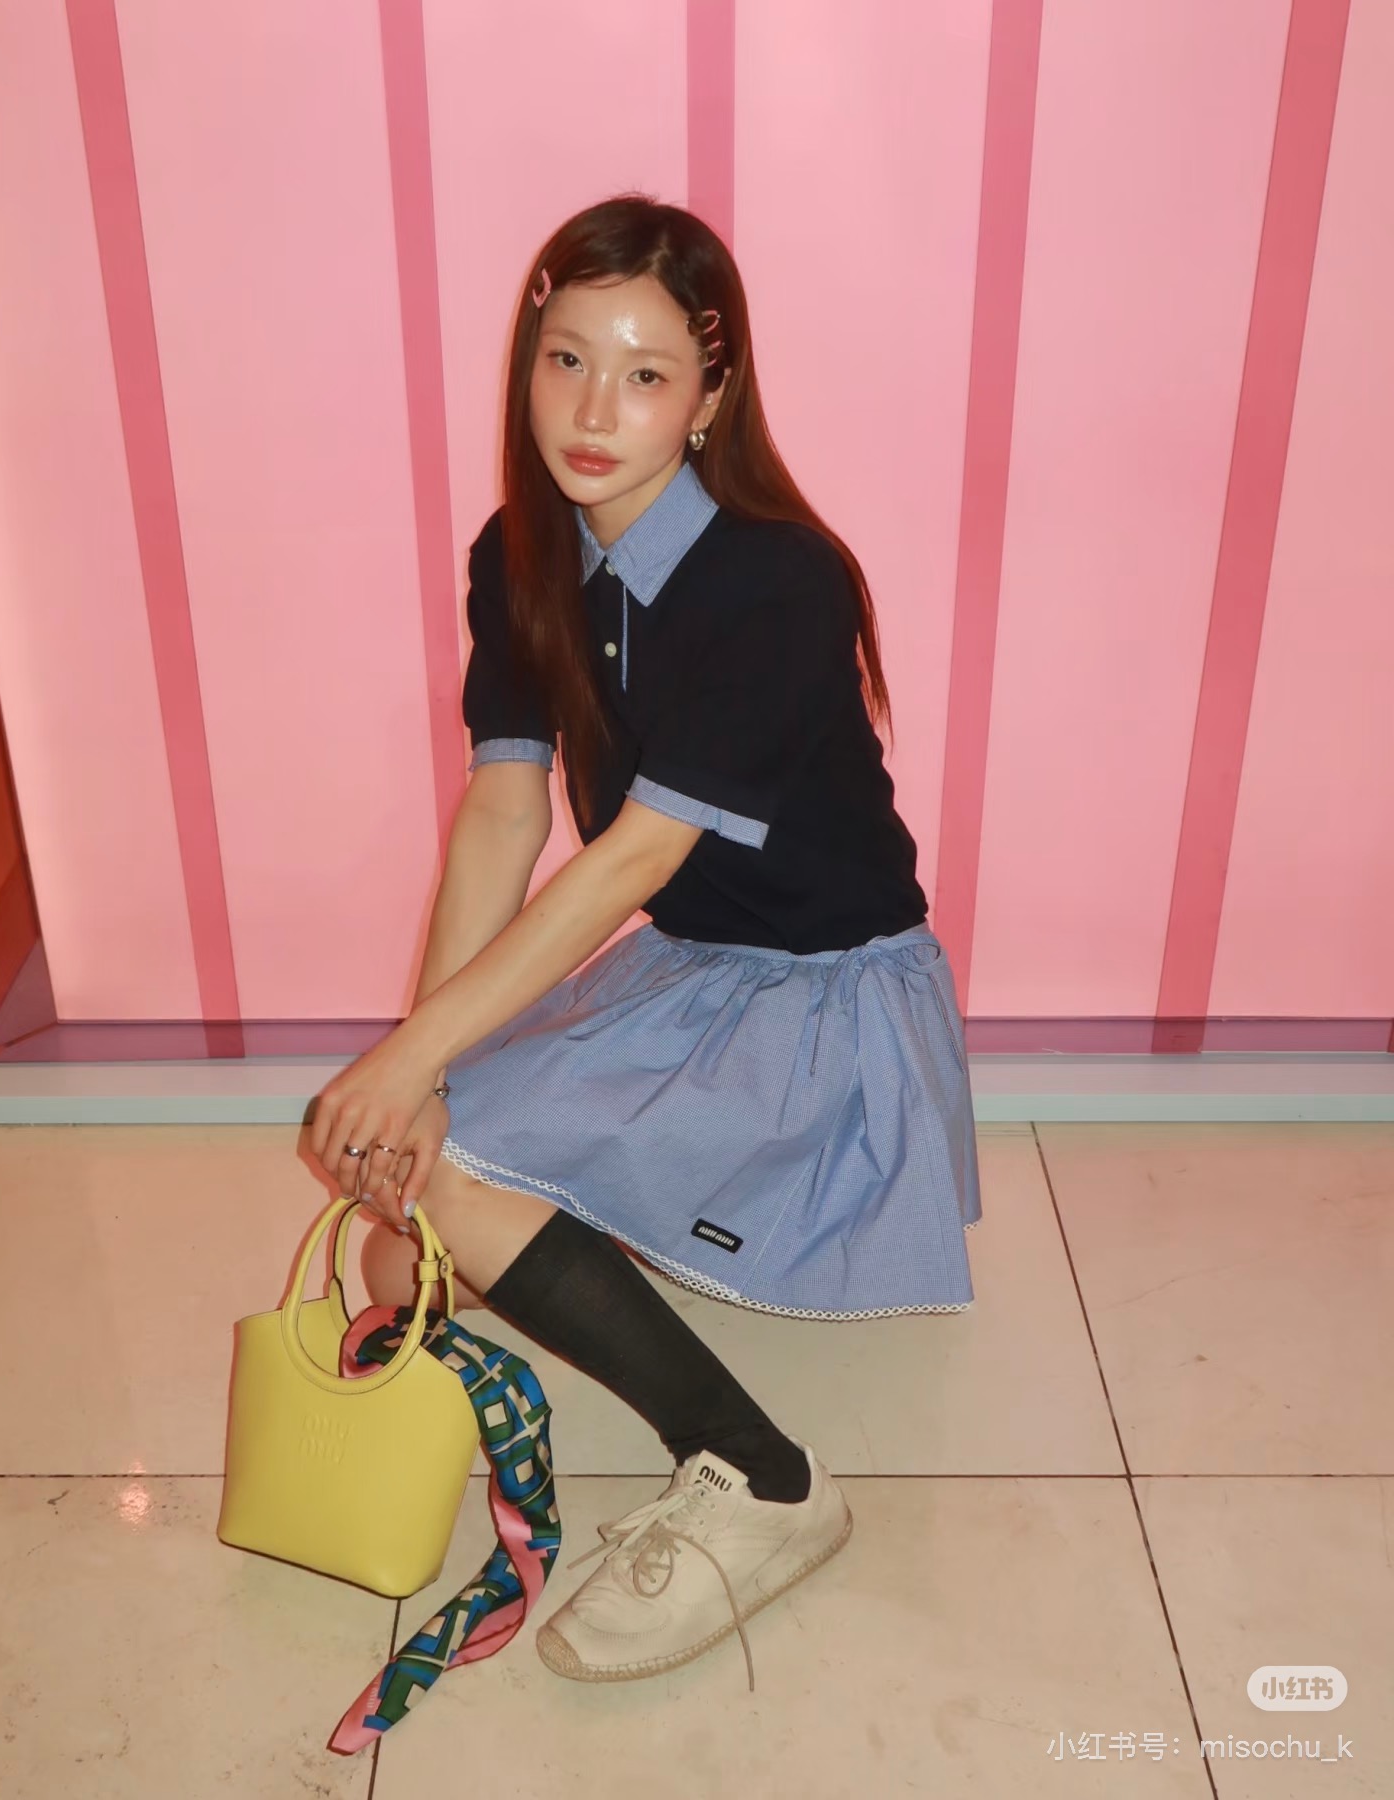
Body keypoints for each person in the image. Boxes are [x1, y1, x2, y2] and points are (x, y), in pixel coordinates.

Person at [310, 193, 981, 1691]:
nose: (594, 411)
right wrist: (423, 1072)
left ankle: (765, 1477)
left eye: (646, 373)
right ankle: (576, 1207)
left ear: (710, 398)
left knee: (449, 1183)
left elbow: (629, 861)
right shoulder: (522, 553)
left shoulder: (776, 580)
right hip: (684, 968)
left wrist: (415, 1069)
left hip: (824, 1006)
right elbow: (504, 813)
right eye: (565, 360)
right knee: (399, 1232)